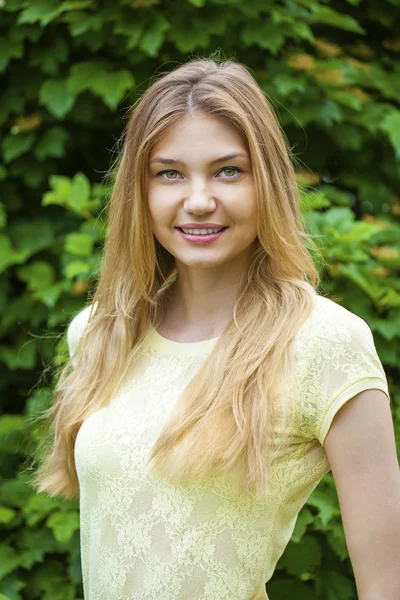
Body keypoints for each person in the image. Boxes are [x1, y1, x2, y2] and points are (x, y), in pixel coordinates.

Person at [31, 56, 399, 600]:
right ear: (140, 190)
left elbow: (387, 584)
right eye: (169, 173)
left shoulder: (323, 343)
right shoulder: (100, 334)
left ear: (267, 182)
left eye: (229, 170)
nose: (198, 201)